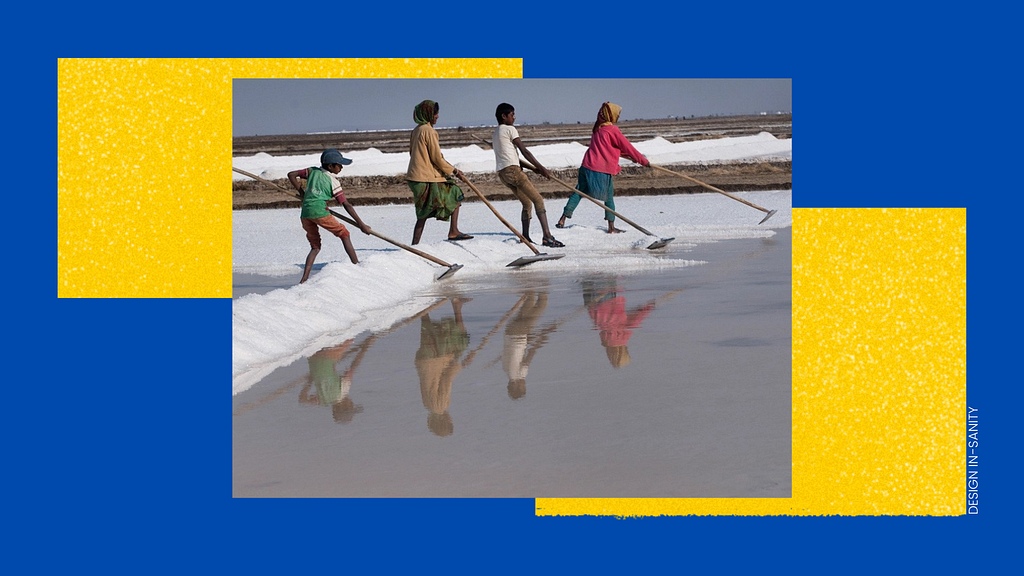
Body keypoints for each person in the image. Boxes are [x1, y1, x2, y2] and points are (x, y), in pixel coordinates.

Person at [557, 102, 650, 233]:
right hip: (600, 168)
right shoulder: (613, 130)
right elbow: (627, 147)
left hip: (586, 165)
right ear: (611, 115)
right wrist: (644, 161)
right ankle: (611, 228)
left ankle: (562, 219)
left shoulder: (597, 128)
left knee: (579, 191)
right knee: (609, 196)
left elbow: (612, 148)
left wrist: (633, 158)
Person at [287, 149, 371, 284]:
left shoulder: (312, 171)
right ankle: (357, 265)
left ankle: (304, 280)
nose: (341, 167)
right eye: (339, 165)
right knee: (344, 233)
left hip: (306, 213)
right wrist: (361, 225)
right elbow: (346, 205)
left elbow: (291, 175)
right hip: (320, 212)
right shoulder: (333, 182)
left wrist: (302, 193)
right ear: (330, 166)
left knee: (315, 247)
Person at [492, 103, 564, 247]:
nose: (514, 117)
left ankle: (525, 237)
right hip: (513, 172)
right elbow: (525, 151)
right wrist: (542, 168)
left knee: (527, 203)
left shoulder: (496, 133)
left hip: (503, 174)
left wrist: (534, 169)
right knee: (538, 200)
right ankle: (547, 237)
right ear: (504, 116)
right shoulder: (510, 129)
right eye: (512, 114)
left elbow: (514, 159)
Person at [406, 100, 472, 244]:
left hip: (417, 177)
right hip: (424, 178)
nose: (437, 116)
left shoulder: (416, 130)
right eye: (435, 113)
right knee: (454, 193)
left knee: (424, 211)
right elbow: (437, 157)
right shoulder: (429, 131)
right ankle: (416, 245)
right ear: (428, 114)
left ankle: (450, 232)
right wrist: (454, 171)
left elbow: (413, 153)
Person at [582, 276, 655, 368]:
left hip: (607, 299)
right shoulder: (604, 338)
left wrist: (649, 307)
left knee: (604, 275)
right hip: (592, 302)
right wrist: (589, 306)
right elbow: (594, 316)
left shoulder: (623, 335)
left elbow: (636, 318)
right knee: (588, 278)